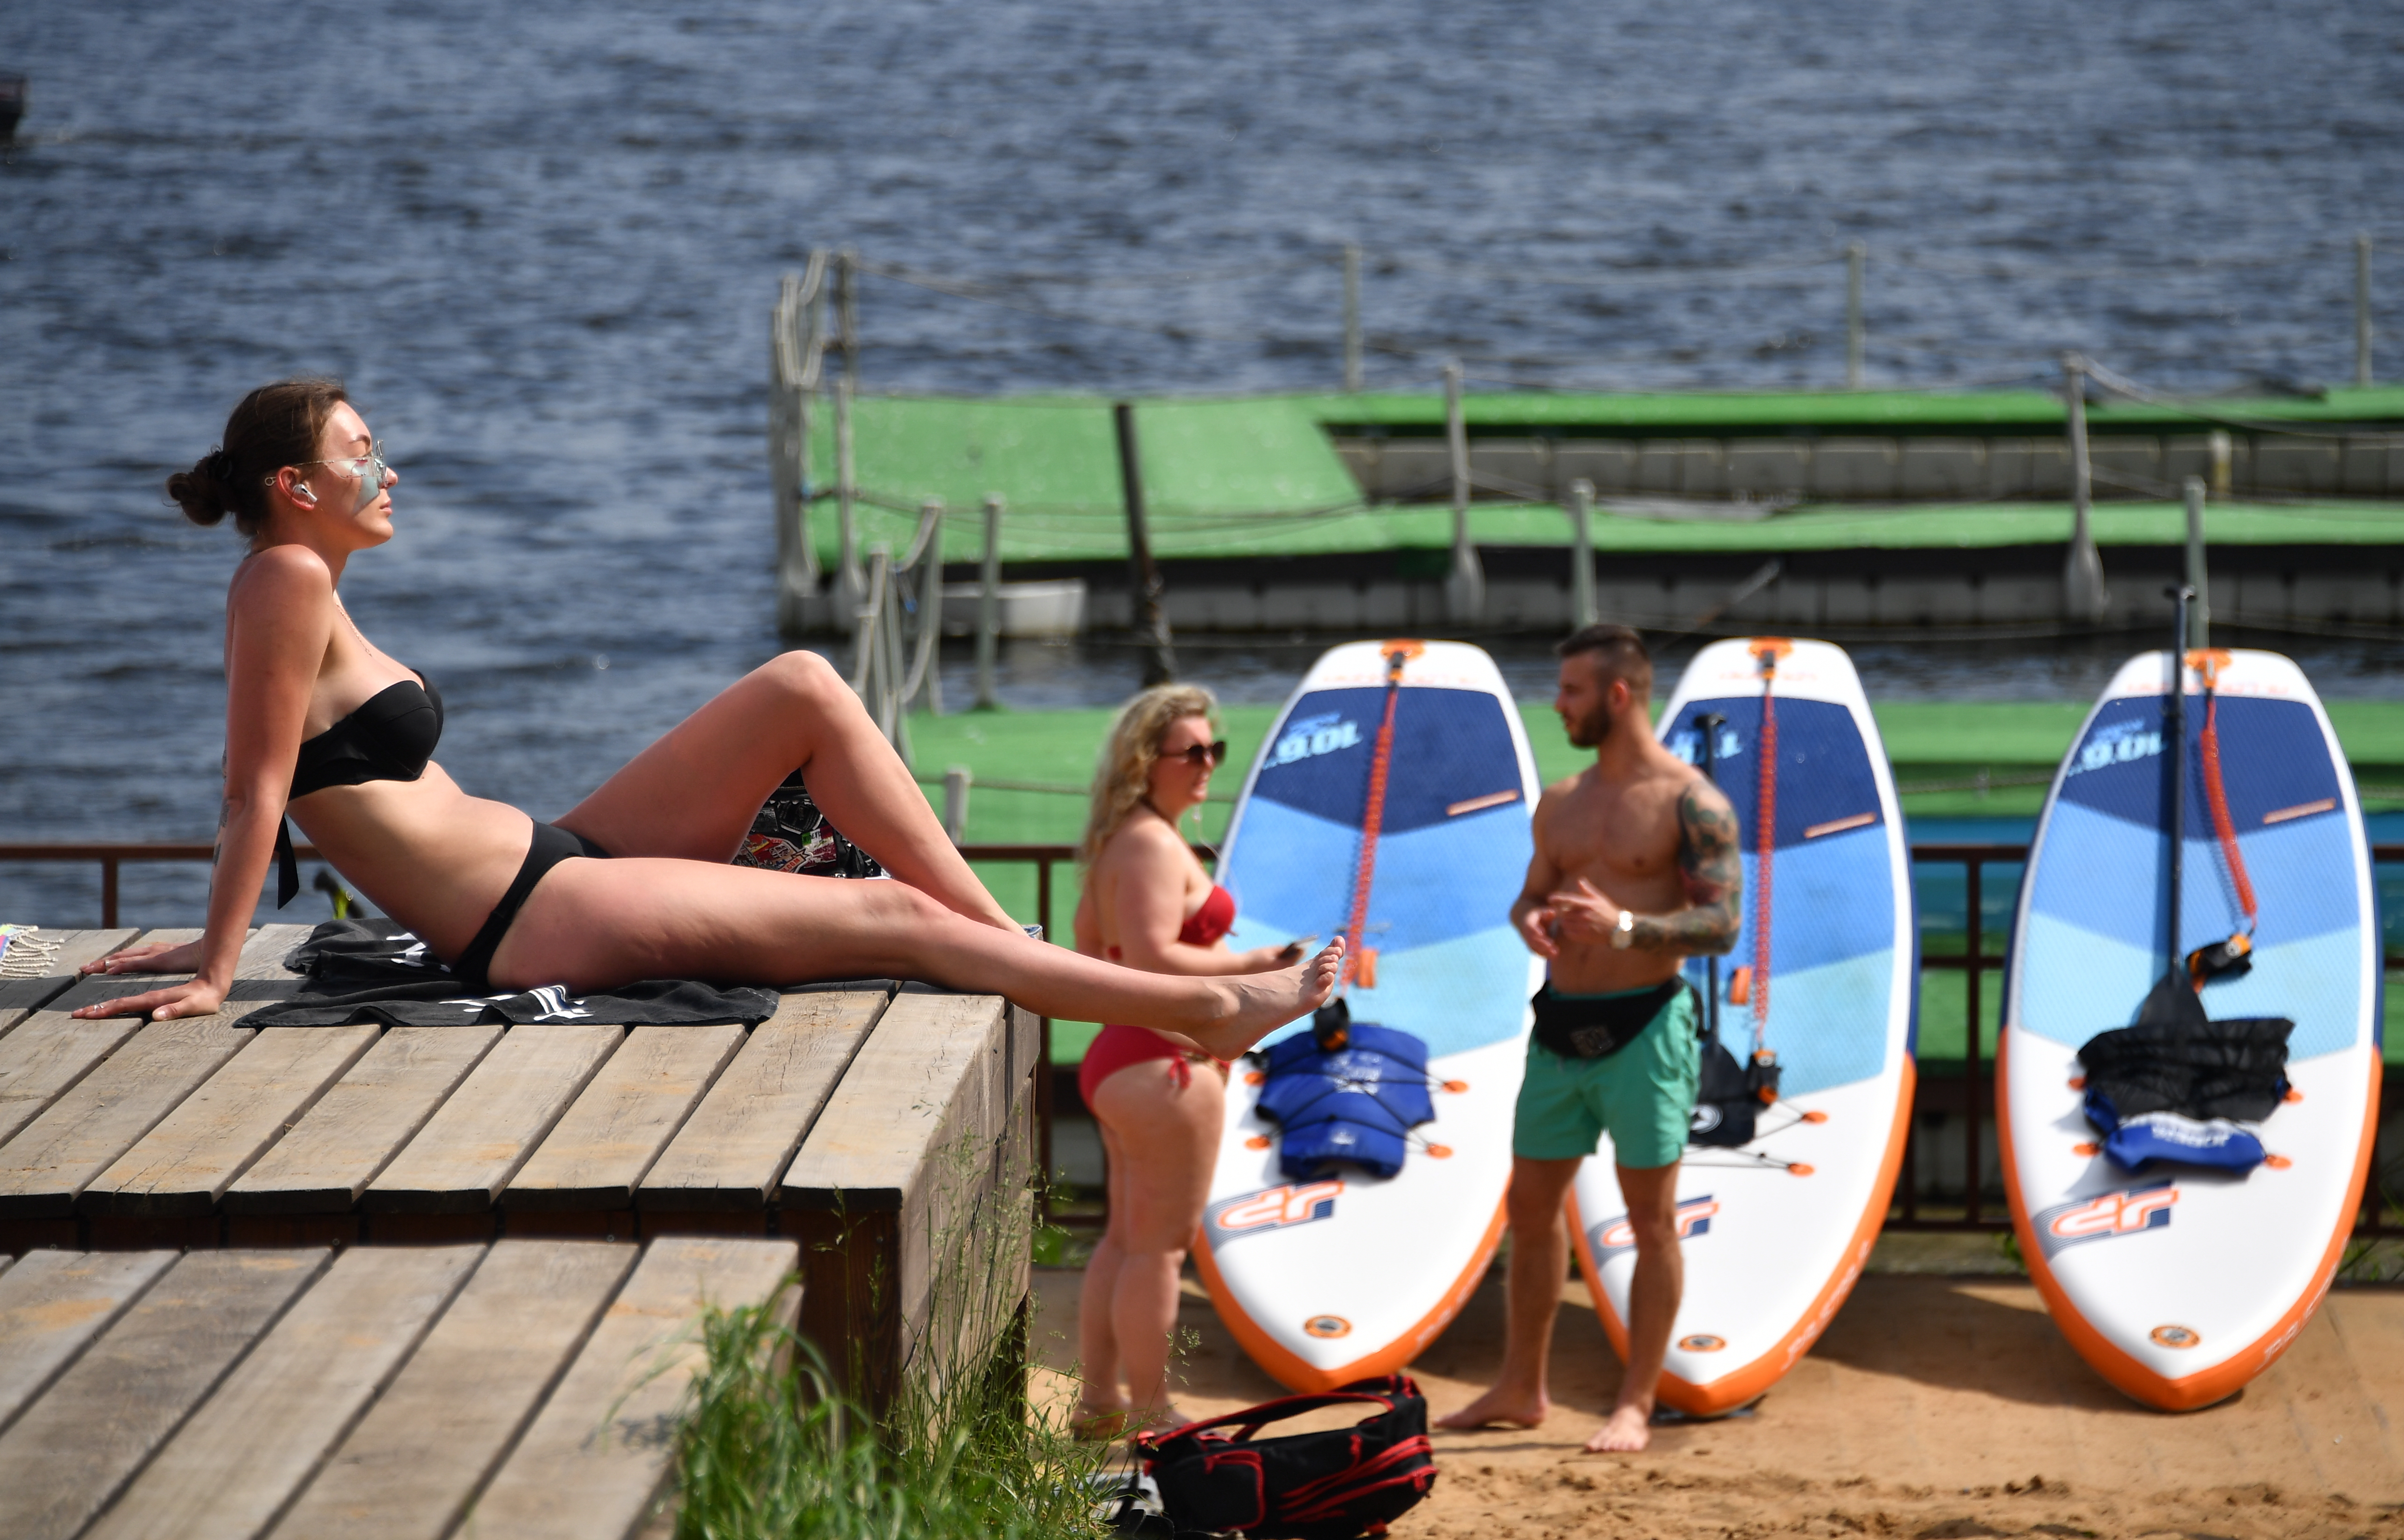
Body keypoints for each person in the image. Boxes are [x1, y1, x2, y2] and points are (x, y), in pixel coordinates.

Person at [77, 378, 1340, 1062]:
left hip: (554, 855)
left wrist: (208, 929)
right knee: (886, 919)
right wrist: (215, 964)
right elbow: (257, 789)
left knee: (801, 685)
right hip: (524, 922)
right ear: (296, 487)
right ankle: (1203, 1008)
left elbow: (293, 791)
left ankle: (994, 930)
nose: (388, 467)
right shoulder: (288, 580)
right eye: (363, 452)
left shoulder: (302, 583)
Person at [1438, 622, 1739, 1454]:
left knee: (1652, 1221)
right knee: (1529, 1210)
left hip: (1648, 1028)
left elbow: (1721, 926)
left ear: (1618, 695)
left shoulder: (1692, 802)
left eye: (1570, 691)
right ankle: (1520, 1387)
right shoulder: (1562, 800)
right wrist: (1532, 920)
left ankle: (1636, 1402)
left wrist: (1626, 927)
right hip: (1560, 1028)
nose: (1557, 703)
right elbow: (1529, 895)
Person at [1067, 685, 1308, 1436]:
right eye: (1192, 752)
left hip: (1124, 1055)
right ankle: (1152, 1410)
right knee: (1161, 1252)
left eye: (1215, 750)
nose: (1208, 764)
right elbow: (1150, 956)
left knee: (1124, 1239)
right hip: (1165, 1061)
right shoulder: (1148, 841)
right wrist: (1253, 981)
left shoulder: (1124, 839)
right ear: (1147, 762)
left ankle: (1100, 1403)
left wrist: (1256, 959)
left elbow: (1103, 946)